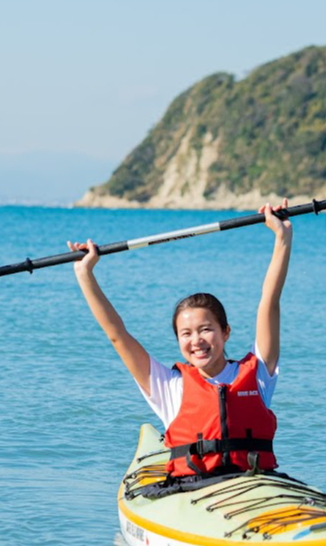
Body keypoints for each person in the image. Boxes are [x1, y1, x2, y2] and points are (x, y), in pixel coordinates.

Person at [68, 199, 292, 478]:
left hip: (254, 484)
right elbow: (117, 335)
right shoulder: (169, 386)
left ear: (226, 332)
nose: (196, 340)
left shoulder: (257, 372)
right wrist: (85, 273)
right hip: (194, 490)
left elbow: (269, 303)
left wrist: (282, 238)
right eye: (186, 333)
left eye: (205, 329)